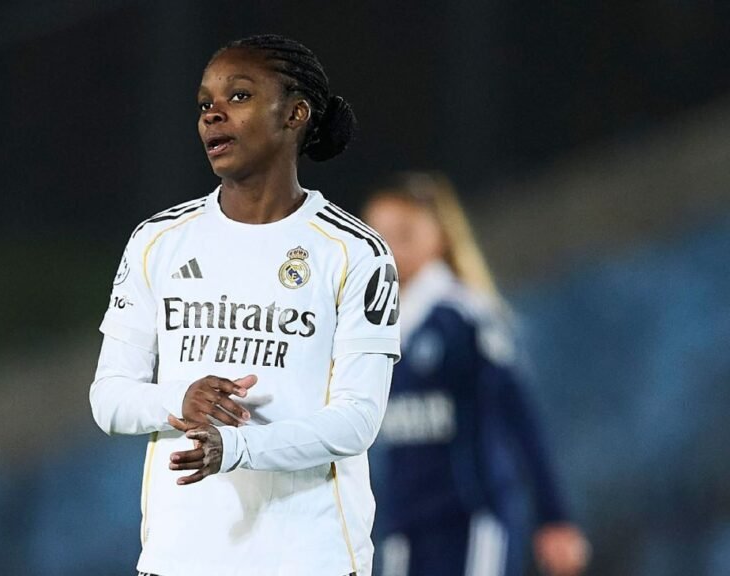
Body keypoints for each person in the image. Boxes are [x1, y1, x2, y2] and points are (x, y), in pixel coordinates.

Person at [89, 34, 401, 576]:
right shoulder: (157, 241)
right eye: (204, 104)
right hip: (178, 560)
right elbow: (108, 398)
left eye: (238, 96)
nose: (212, 115)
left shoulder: (355, 252)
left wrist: (237, 448)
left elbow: (358, 421)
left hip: (310, 559)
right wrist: (179, 398)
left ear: (295, 114)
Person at [360, 172, 590, 576]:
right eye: (377, 236)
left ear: (439, 235)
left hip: (470, 519)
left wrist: (554, 517)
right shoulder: (369, 330)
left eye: (404, 233)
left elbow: (520, 418)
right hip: (403, 527)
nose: (390, 247)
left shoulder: (466, 316)